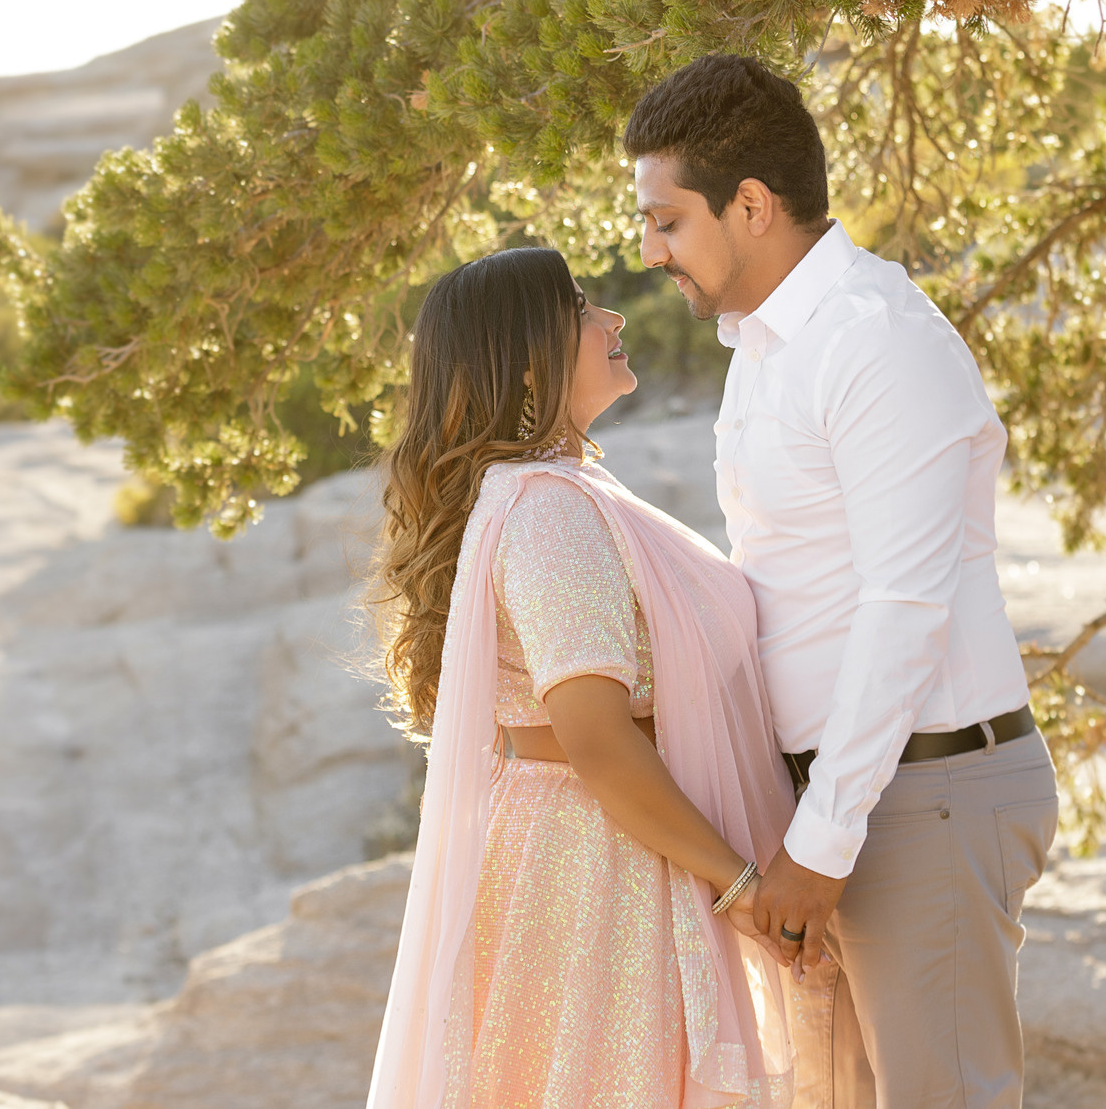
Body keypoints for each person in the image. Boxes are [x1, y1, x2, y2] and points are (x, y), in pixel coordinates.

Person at [622, 54, 1060, 1109]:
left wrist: (818, 847)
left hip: (927, 794)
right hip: (854, 802)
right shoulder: (768, 349)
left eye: (667, 220)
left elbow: (902, 611)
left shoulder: (874, 341)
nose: (649, 252)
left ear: (753, 205)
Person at [365, 246, 796, 1109]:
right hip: (600, 865)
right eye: (583, 306)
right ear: (528, 358)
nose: (614, 319)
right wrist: (741, 880)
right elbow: (598, 743)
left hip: (588, 848)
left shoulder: (551, 492)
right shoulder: (549, 510)